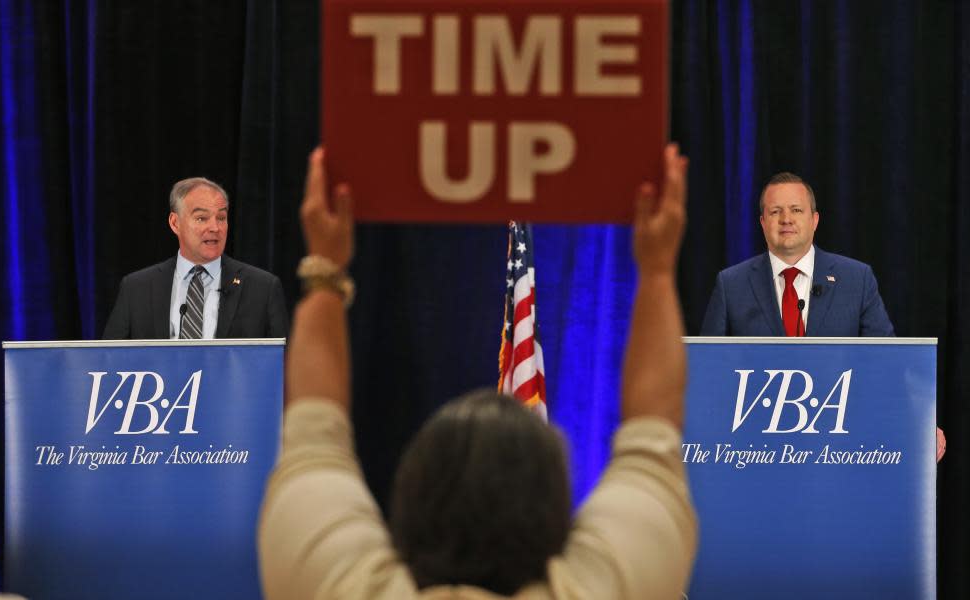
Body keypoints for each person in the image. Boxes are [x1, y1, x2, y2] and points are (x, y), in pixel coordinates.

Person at [257, 145, 697, 599]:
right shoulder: (605, 589)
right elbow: (653, 430)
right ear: (556, 514)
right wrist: (658, 269)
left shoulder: (340, 589)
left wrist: (326, 266)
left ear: (408, 506)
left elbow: (314, 431)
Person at [700, 172, 946, 461]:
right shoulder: (731, 284)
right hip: (754, 451)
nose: (786, 219)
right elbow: (708, 372)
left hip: (839, 450)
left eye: (796, 210)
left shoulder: (856, 279)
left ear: (814, 220)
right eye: (775, 211)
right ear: (762, 222)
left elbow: (888, 363)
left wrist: (918, 424)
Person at [103, 177, 288, 339]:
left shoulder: (263, 288)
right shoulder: (136, 288)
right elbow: (109, 362)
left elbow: (282, 366)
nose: (215, 227)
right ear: (175, 223)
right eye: (201, 218)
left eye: (221, 218)